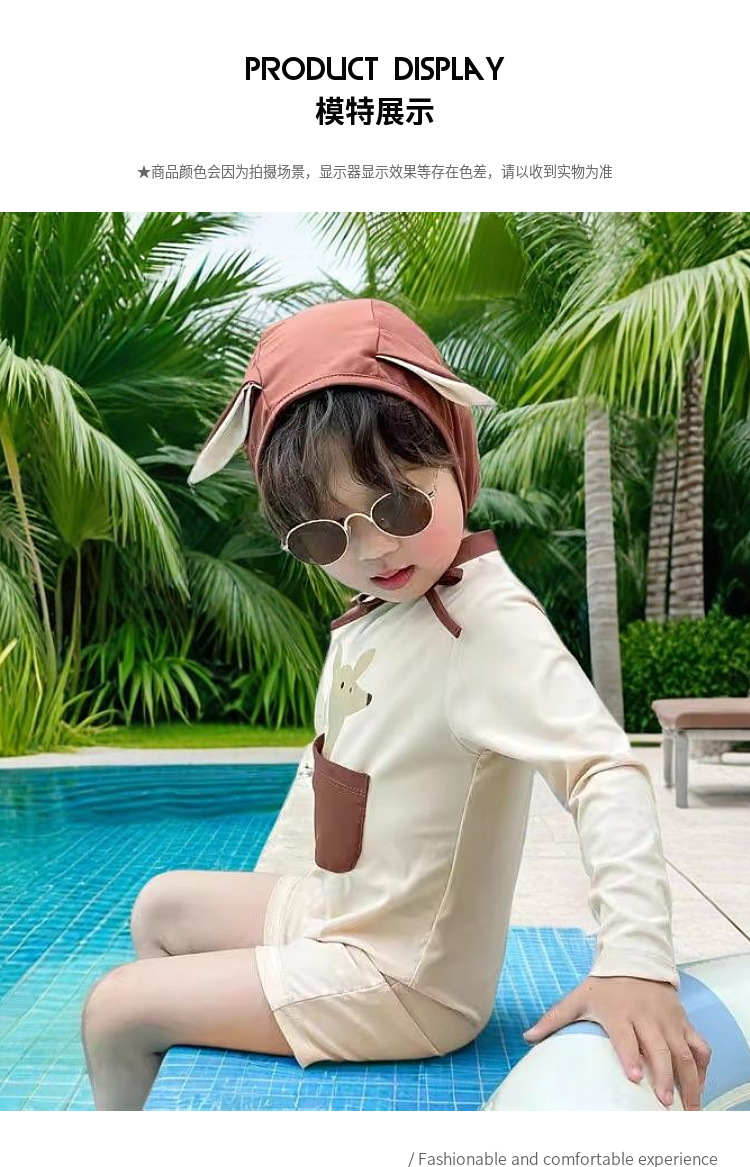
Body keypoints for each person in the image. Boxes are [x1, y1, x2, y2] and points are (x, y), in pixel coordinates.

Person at [81, 298, 711, 1111]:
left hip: (404, 980)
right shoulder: (384, 609)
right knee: (161, 905)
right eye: (325, 534)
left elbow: (602, 769)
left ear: (456, 455)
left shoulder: (484, 624)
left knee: (115, 1010)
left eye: (398, 505)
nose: (373, 548)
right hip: (345, 914)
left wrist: (635, 959)